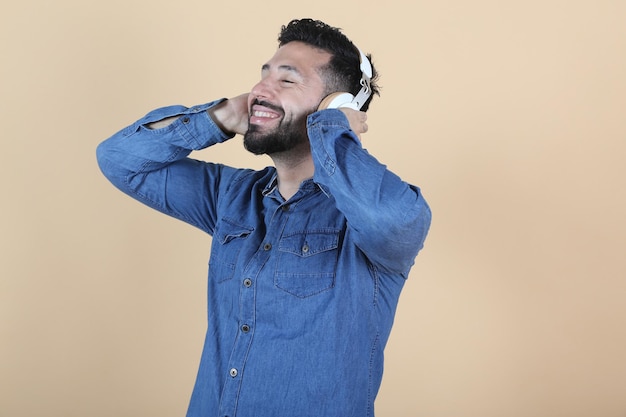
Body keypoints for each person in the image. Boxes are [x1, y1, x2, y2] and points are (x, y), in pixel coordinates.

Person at [97, 17, 431, 417]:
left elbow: (393, 222)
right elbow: (120, 160)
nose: (259, 90)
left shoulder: (377, 216)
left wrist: (331, 127)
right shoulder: (230, 197)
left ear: (338, 104)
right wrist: (216, 119)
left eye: (287, 81)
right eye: (263, 76)